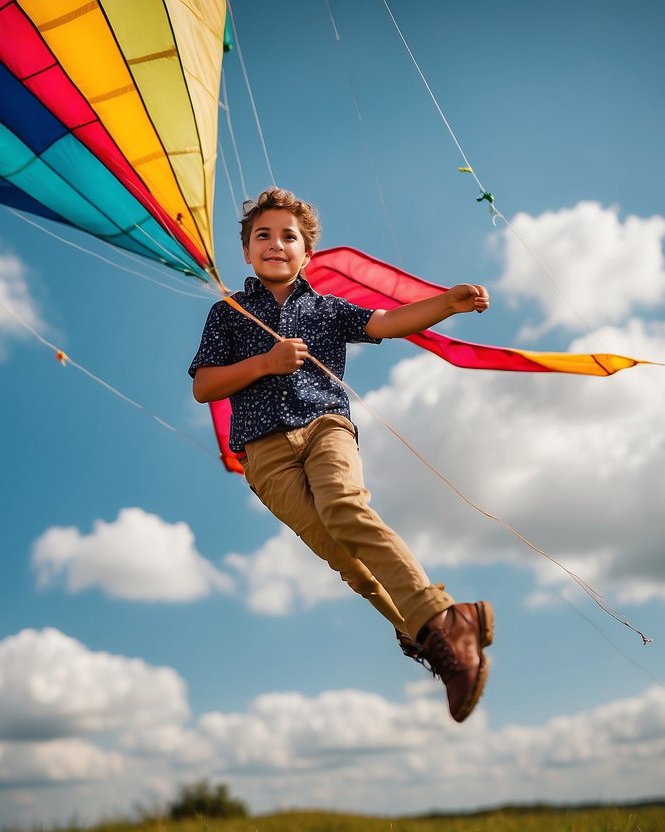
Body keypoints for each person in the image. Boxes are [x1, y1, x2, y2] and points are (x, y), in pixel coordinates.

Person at [189, 187, 494, 722]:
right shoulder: (228, 314)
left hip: (325, 427)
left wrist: (445, 303)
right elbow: (205, 386)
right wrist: (265, 363)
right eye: (264, 235)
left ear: (306, 254)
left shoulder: (326, 308)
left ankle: (445, 621)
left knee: (343, 507)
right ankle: (434, 641)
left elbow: (382, 323)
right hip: (265, 456)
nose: (276, 244)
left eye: (290, 236)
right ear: (246, 252)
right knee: (343, 558)